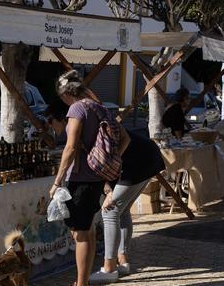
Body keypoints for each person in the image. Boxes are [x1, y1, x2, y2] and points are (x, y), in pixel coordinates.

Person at [50, 70, 130, 286]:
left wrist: (57, 181)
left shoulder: (77, 108)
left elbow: (71, 146)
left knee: (81, 234)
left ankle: (81, 283)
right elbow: (125, 138)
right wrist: (106, 161)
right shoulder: (98, 107)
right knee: (88, 229)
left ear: (66, 93)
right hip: (95, 178)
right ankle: (82, 281)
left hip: (81, 177)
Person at [89, 129, 165, 283]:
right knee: (122, 211)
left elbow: (107, 160)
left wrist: (109, 187)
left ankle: (109, 268)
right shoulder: (98, 120)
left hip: (139, 162)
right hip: (149, 156)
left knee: (109, 212)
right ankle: (123, 262)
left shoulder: (87, 124)